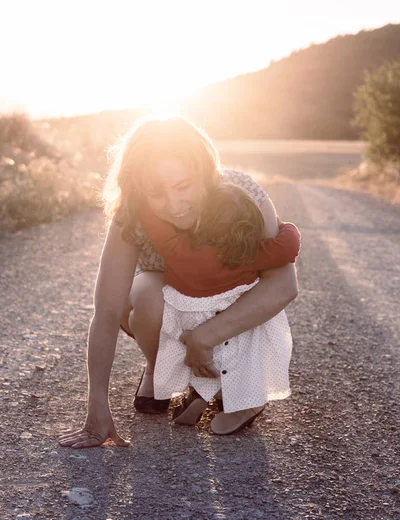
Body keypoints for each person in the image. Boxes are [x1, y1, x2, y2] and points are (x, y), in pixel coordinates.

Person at [59, 116, 298, 448]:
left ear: (205, 172)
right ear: (139, 188)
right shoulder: (133, 214)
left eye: (183, 186)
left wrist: (205, 336)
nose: (174, 205)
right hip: (170, 304)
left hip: (229, 309)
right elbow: (107, 311)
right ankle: (161, 371)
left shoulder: (242, 195)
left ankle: (230, 380)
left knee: (231, 304)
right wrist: (96, 405)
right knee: (145, 294)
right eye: (156, 192)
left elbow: (283, 285)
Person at [137, 182, 300, 433]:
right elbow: (288, 246)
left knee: (200, 360)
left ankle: (201, 391)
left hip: (189, 322)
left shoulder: (178, 248)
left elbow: (153, 222)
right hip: (232, 327)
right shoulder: (252, 254)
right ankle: (243, 405)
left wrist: (148, 192)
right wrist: (283, 224)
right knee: (243, 355)